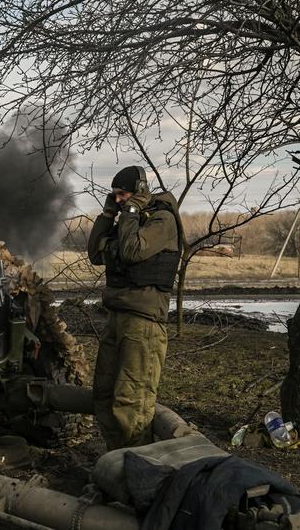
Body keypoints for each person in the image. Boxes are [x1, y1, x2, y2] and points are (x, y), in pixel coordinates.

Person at [87, 166, 182, 450]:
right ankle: (115, 464)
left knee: (133, 402)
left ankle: (137, 470)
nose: (118, 201)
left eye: (123, 194)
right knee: (104, 395)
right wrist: (107, 217)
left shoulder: (162, 220)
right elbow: (95, 254)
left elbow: (132, 251)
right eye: (114, 196)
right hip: (117, 317)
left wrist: (128, 213)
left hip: (144, 324)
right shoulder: (128, 222)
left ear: (140, 192)